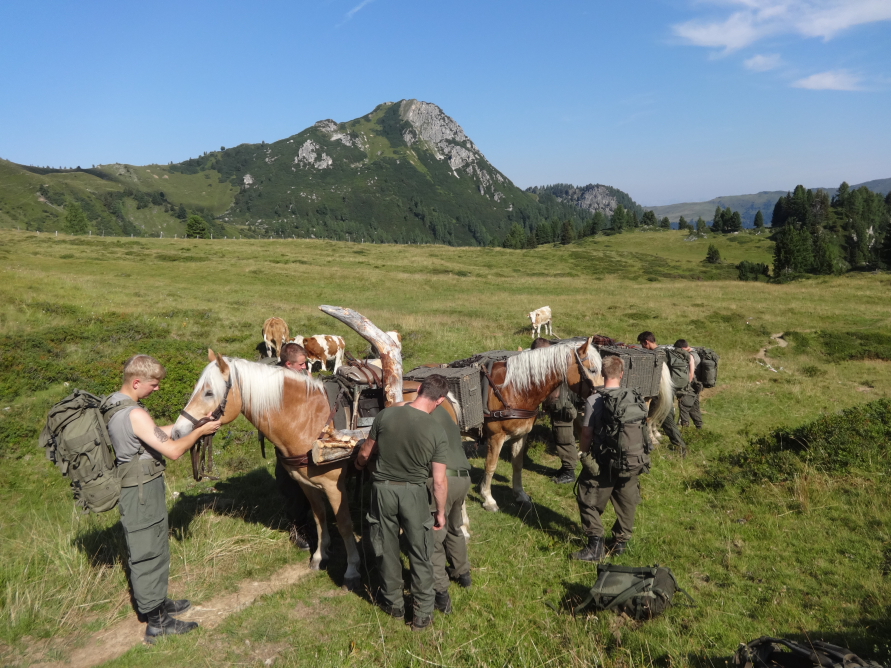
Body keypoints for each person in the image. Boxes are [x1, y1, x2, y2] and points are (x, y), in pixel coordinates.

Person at [105, 354, 221, 641]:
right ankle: (157, 623)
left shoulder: (115, 405)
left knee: (152, 544)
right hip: (142, 491)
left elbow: (156, 436)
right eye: (153, 385)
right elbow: (173, 451)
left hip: (138, 487)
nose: (157, 389)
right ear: (136, 382)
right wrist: (202, 432)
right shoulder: (135, 413)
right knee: (149, 551)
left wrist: (192, 426)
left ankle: (156, 603)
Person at [355, 375, 450, 631]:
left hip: (382, 491)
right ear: (440, 401)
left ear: (418, 389)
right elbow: (439, 481)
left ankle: (394, 604)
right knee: (420, 552)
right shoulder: (436, 431)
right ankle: (422, 614)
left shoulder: (385, 416)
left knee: (386, 547)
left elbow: (366, 451)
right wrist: (440, 511)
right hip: (415, 494)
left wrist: (360, 464)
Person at [572, 355, 650, 561]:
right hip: (633, 460)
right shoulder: (635, 397)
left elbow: (587, 433)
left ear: (602, 374)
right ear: (622, 374)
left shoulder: (594, 399)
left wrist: (584, 454)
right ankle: (620, 544)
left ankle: (595, 545)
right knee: (627, 502)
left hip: (604, 461)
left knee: (586, 498)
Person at [427, 401, 472, 615]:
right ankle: (463, 574)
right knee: (455, 528)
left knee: (434, 537)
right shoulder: (446, 415)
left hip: (443, 481)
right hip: (463, 478)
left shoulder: (424, 419)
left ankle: (440, 592)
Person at [272, 342, 315, 550]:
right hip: (287, 444)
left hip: (307, 437)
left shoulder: (302, 375)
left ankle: (313, 518)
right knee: (292, 486)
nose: (305, 367)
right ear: (288, 364)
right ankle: (298, 527)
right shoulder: (275, 383)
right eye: (301, 364)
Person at [531, 337, 580, 484]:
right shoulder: (555, 359)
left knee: (564, 437)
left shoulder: (554, 363)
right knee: (561, 436)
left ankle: (569, 471)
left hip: (562, 405)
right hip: (560, 403)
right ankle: (566, 468)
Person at [637, 331, 687, 454]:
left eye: (643, 345)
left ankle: (681, 449)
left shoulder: (656, 356)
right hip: (667, 392)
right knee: (659, 420)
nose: (643, 347)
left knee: (666, 422)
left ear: (647, 342)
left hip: (660, 394)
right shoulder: (664, 352)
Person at [674, 339, 703, 429]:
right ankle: (699, 427)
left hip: (690, 385)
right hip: (697, 384)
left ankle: (685, 430)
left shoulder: (689, 356)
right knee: (695, 407)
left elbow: (690, 373)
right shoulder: (695, 353)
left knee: (684, 406)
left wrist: (685, 387)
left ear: (682, 348)